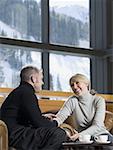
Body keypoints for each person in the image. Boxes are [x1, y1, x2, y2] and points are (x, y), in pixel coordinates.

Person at [1, 66, 67, 150]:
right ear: (34, 79)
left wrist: (43, 116)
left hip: (13, 133)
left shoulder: (20, 91)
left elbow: (28, 116)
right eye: (41, 79)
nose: (42, 83)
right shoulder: (26, 93)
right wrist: (56, 123)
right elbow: (39, 123)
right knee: (59, 133)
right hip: (16, 135)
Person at [51, 74, 113, 146]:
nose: (74, 87)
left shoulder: (98, 100)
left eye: (77, 83)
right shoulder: (72, 100)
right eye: (72, 85)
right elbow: (60, 117)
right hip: (84, 138)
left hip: (101, 135)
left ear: (86, 84)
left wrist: (79, 135)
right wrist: (52, 123)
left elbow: (97, 125)